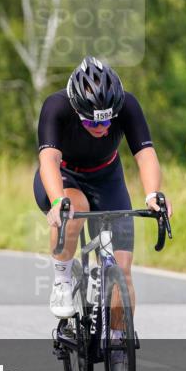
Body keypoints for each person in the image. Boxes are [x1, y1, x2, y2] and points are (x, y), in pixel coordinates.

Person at [34, 56, 173, 323]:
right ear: (77, 110)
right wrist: (56, 201)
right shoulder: (57, 106)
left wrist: (154, 194)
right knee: (74, 208)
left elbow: (145, 155)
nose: (101, 128)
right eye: (91, 123)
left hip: (107, 178)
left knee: (123, 270)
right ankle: (62, 279)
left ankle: (119, 343)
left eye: (107, 122)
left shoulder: (128, 104)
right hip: (64, 176)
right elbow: (48, 160)